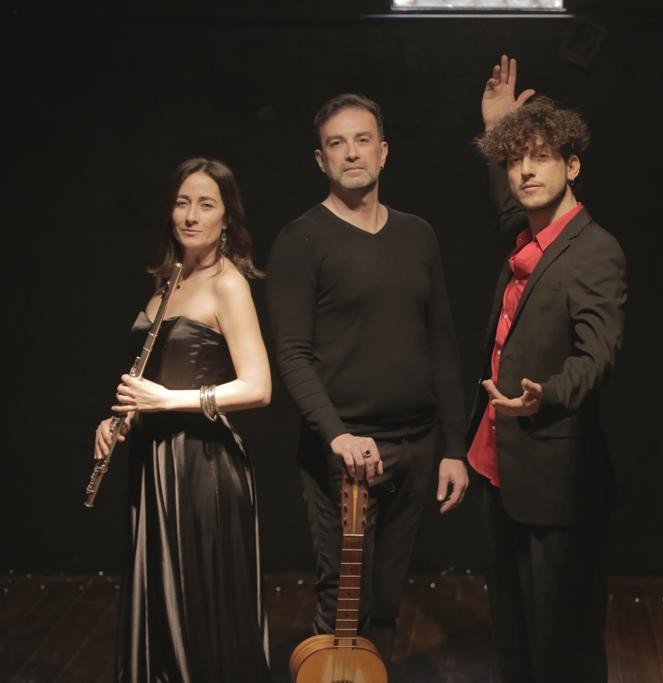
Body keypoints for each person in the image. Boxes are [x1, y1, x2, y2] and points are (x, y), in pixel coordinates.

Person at [266, 93, 469, 666]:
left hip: (417, 447)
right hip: (346, 453)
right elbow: (292, 354)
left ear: (383, 152)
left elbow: (441, 343)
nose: (351, 153)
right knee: (344, 605)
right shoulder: (301, 240)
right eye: (337, 143)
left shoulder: (417, 235)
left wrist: (454, 447)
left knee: (386, 600)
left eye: (362, 141)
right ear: (321, 159)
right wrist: (336, 435)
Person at [469, 55, 627, 682]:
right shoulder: (526, 232)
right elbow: (506, 205)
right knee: (513, 642)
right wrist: (495, 132)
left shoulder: (595, 250)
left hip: (557, 482)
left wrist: (548, 394)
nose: (526, 171)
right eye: (515, 160)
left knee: (563, 650)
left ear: (573, 165)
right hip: (499, 467)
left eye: (540, 157)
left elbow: (599, 354)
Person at [94, 157, 272, 682]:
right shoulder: (168, 281)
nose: (191, 215)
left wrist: (166, 401)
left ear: (226, 217)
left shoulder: (228, 284)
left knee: (198, 614)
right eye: (182, 202)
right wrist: (120, 421)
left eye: (206, 204)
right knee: (160, 609)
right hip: (154, 464)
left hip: (203, 469)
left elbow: (258, 387)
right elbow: (152, 380)